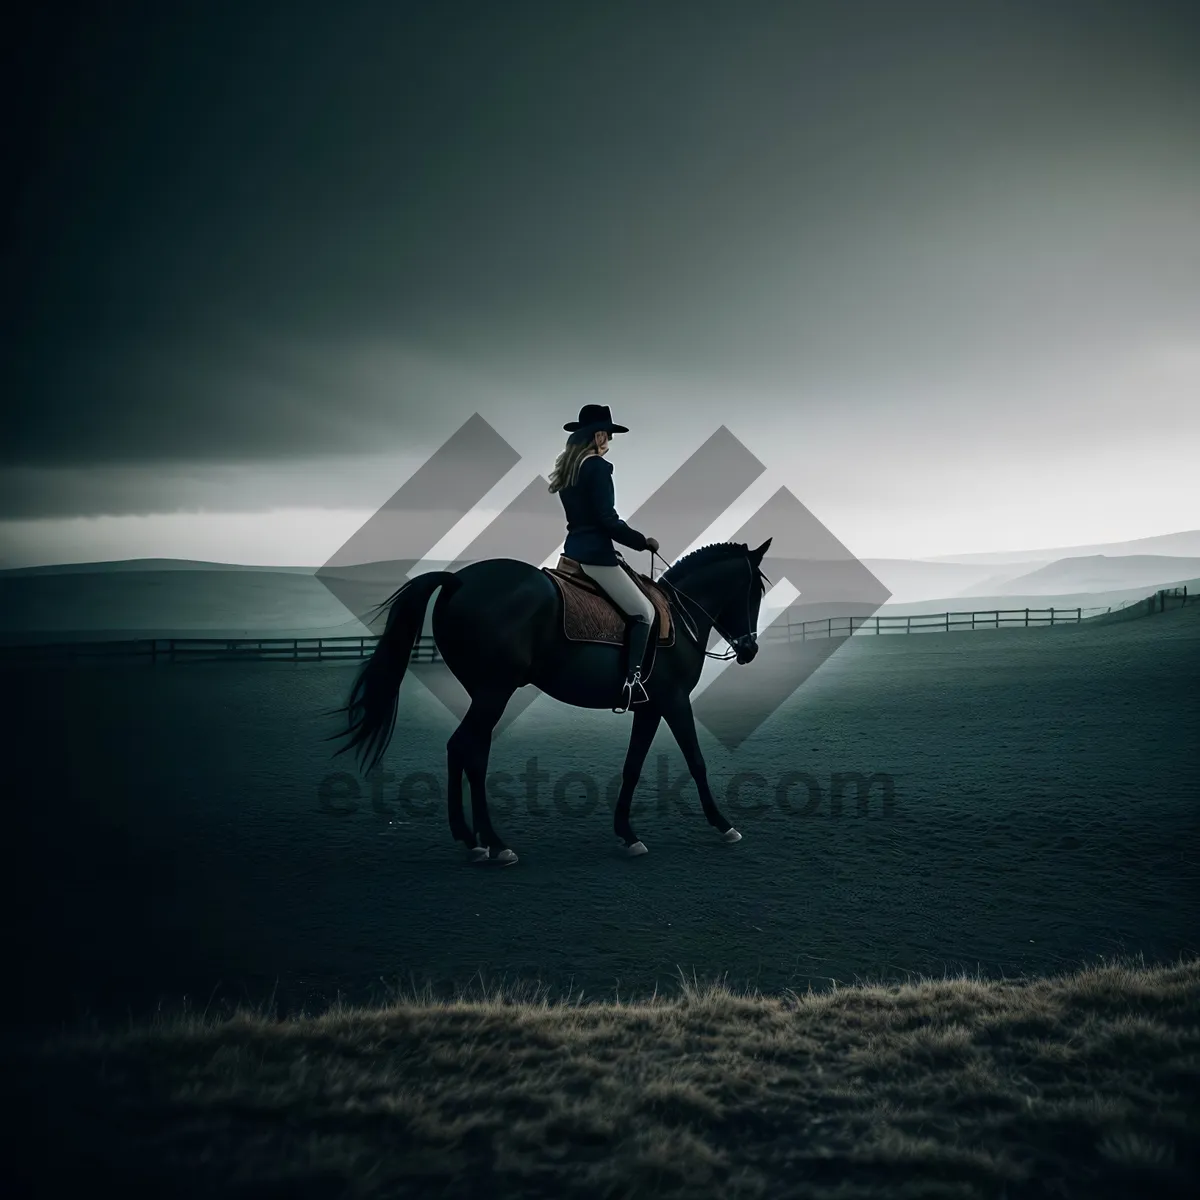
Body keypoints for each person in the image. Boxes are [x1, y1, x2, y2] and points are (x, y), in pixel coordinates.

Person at [548, 404, 661, 711]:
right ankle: (632, 681)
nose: (610, 441)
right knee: (644, 613)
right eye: (608, 435)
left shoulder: (569, 469)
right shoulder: (597, 467)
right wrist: (642, 542)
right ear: (598, 436)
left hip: (573, 551)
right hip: (596, 556)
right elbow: (607, 520)